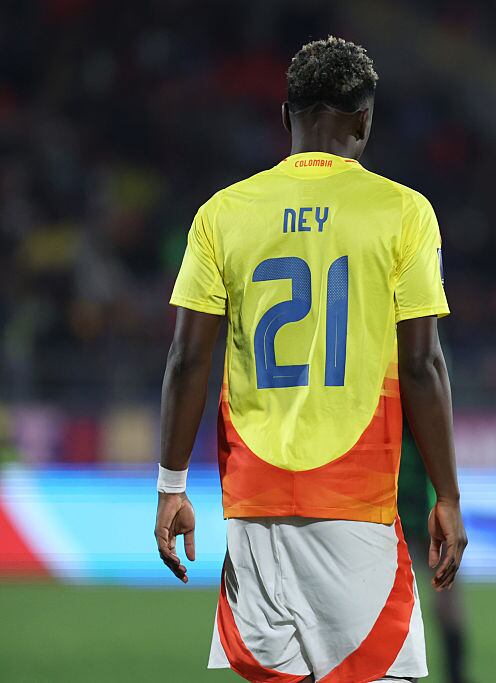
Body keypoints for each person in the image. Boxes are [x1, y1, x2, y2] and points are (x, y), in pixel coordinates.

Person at [153, 36, 467, 683]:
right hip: (355, 508)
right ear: (365, 122)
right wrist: (448, 494)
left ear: (285, 117)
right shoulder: (404, 212)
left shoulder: (222, 214)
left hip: (254, 506)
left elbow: (187, 359)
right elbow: (423, 365)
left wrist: (171, 487)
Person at [398, 424, 472, 683]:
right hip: (413, 502)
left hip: (395, 502)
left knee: (438, 598)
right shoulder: (419, 392)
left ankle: (454, 676)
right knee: (446, 596)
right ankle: (457, 677)